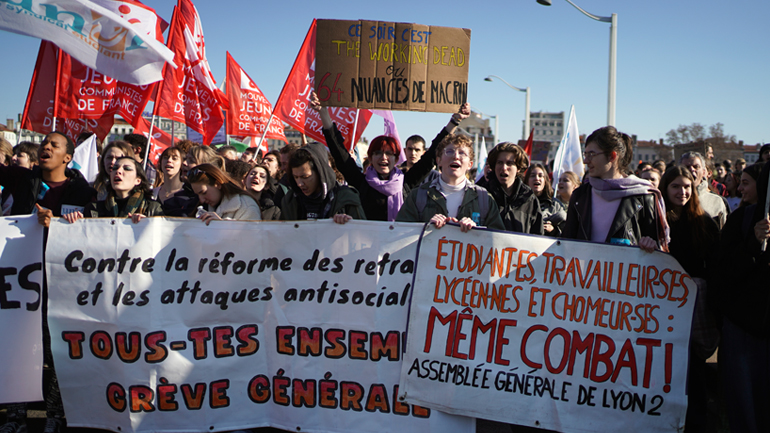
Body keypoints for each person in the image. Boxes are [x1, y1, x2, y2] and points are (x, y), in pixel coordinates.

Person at [0, 131, 95, 433]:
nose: (46, 148)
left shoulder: (81, 190)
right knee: (17, 345)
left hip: (59, 282)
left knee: (55, 350)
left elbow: (93, 230)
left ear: (68, 157)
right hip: (20, 279)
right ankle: (14, 416)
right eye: (44, 144)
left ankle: (55, 414)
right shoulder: (22, 179)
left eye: (55, 145)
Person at [312, 93, 466, 221]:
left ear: (396, 158)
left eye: (389, 154)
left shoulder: (406, 182)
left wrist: (454, 121)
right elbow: (339, 153)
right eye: (377, 153)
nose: (383, 158)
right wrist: (323, 113)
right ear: (370, 158)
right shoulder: (361, 183)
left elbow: (432, 154)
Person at [658, 167, 720, 433]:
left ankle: (696, 422)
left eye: (686, 187)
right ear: (664, 189)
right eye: (675, 186)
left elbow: (715, 265)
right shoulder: (655, 222)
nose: (682, 192)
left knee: (692, 368)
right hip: (661, 307)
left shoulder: (705, 222)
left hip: (694, 308)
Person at [716, 162, 770, 433]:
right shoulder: (742, 220)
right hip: (744, 332)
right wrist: (753, 245)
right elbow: (724, 271)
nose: (742, 187)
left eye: (748, 182)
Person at [563, 126, 668, 252]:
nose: (586, 161)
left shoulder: (644, 196)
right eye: (585, 154)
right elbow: (566, 244)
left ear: (612, 156)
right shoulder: (580, 195)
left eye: (591, 154)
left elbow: (658, 251)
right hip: (585, 271)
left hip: (626, 271)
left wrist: (650, 245)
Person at [397, 133, 504, 232]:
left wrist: (477, 231)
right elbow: (399, 234)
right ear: (439, 161)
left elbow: (497, 240)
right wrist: (426, 228)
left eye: (462, 153)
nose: (456, 156)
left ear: (470, 164)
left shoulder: (484, 198)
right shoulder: (418, 196)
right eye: (449, 151)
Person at [280, 143, 364, 223]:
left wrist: (349, 223)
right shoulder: (289, 201)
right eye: (296, 177)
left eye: (305, 177)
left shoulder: (346, 198)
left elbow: (363, 233)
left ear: (320, 173)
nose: (299, 183)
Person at [64, 156, 163, 222]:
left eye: (127, 169)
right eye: (115, 168)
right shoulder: (93, 209)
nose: (118, 171)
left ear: (138, 180)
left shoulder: (153, 209)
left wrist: (149, 225)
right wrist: (77, 223)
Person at [482, 142, 542, 234]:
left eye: (510, 163)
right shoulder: (482, 195)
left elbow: (538, 237)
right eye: (500, 162)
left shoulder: (529, 199)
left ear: (518, 168)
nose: (504, 167)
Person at [187, 163, 261, 224]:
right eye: (198, 195)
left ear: (218, 184)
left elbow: (251, 237)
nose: (201, 200)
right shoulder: (205, 207)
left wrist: (222, 226)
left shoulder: (247, 206)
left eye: (204, 192)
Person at [680, 151, 729, 228]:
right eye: (687, 167)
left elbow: (724, 233)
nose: (692, 170)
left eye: (696, 167)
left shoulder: (717, 201)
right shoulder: (673, 198)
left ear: (703, 172)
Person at [524, 163, 565, 236]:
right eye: (533, 176)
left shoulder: (555, 205)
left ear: (545, 181)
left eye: (540, 176)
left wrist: (553, 230)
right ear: (527, 181)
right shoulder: (519, 203)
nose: (537, 178)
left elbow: (566, 234)